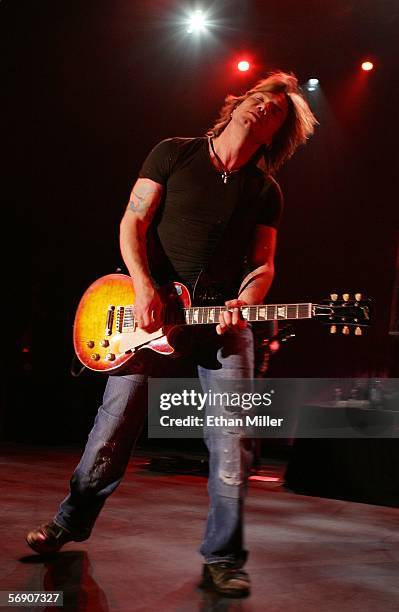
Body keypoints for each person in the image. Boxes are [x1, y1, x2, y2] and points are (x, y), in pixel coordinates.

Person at [26, 71, 317, 597]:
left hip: (219, 326)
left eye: (276, 111)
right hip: (152, 314)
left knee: (233, 445)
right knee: (112, 428)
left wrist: (245, 303)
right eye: (259, 100)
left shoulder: (264, 190)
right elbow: (131, 224)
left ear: (278, 132)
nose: (263, 110)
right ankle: (69, 520)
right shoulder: (174, 153)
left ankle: (224, 559)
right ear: (236, 103)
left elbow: (264, 265)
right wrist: (142, 287)